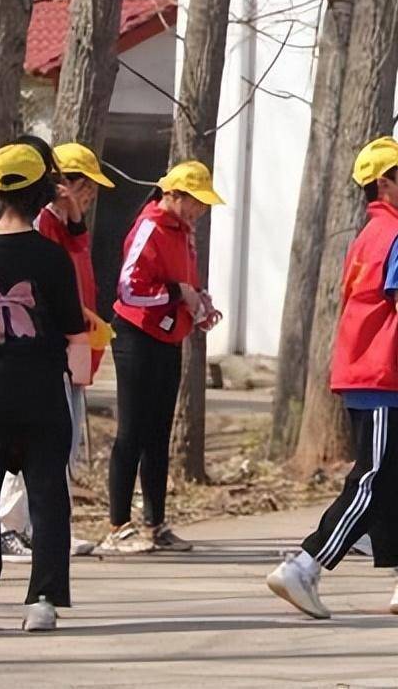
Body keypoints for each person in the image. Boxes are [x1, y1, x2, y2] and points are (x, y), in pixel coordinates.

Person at [267, 137, 398, 619]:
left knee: (395, 484)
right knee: (372, 479)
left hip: (364, 373)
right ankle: (305, 564)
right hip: (387, 373)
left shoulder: (366, 237)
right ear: (384, 183)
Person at [0, 141, 89, 632]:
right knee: (48, 494)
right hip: (40, 391)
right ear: (40, 194)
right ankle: (43, 600)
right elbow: (75, 326)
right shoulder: (50, 258)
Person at [98, 161, 224, 555]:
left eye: (203, 205)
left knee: (158, 433)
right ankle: (118, 524)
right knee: (131, 431)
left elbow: (187, 282)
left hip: (169, 336)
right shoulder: (150, 226)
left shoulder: (184, 233)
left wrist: (198, 305)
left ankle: (156, 522)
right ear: (173, 195)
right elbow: (128, 288)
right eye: (194, 203)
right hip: (137, 335)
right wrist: (176, 294)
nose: (199, 211)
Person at [0, 141, 114, 561]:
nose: (89, 197)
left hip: (74, 346)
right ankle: (11, 526)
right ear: (64, 185)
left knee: (61, 444)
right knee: (34, 443)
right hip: (51, 348)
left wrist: (78, 219)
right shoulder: (43, 225)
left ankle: (49, 528)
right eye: (85, 189)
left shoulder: (68, 229)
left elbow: (79, 264)